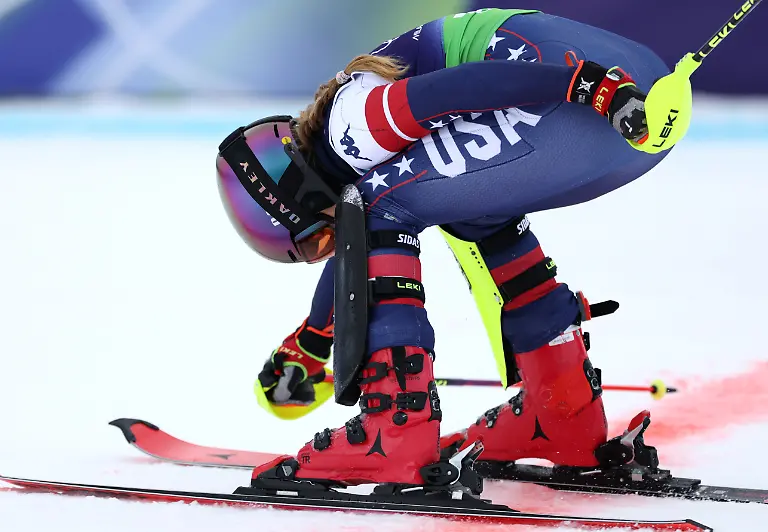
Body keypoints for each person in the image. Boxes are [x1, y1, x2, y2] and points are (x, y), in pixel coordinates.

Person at [216, 8, 673, 487]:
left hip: (583, 99)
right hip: (636, 108)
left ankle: (394, 433)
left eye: (319, 241)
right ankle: (562, 414)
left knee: (379, 210)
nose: (328, 254)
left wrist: (586, 86)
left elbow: (450, 93)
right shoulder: (353, 133)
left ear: (307, 194)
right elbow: (359, 239)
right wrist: (311, 343)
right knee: (472, 212)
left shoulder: (350, 130)